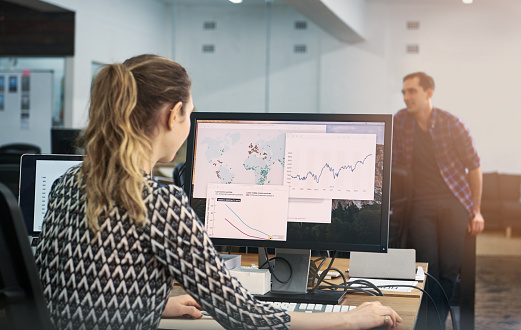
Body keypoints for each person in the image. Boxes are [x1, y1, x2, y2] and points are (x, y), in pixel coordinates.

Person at [35, 54, 401, 330]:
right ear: (173, 115)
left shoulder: (66, 184)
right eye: (190, 114)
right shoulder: (159, 204)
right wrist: (349, 320)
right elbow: (245, 316)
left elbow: (69, 289)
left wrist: (154, 303)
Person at [392, 72, 485, 327]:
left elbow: (475, 167)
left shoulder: (451, 123)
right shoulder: (401, 121)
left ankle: (430, 324)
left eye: (411, 91)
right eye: (404, 92)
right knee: (428, 271)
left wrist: (476, 211)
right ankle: (428, 325)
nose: (406, 97)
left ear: (428, 92)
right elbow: (392, 161)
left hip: (453, 203)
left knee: (449, 270)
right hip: (420, 206)